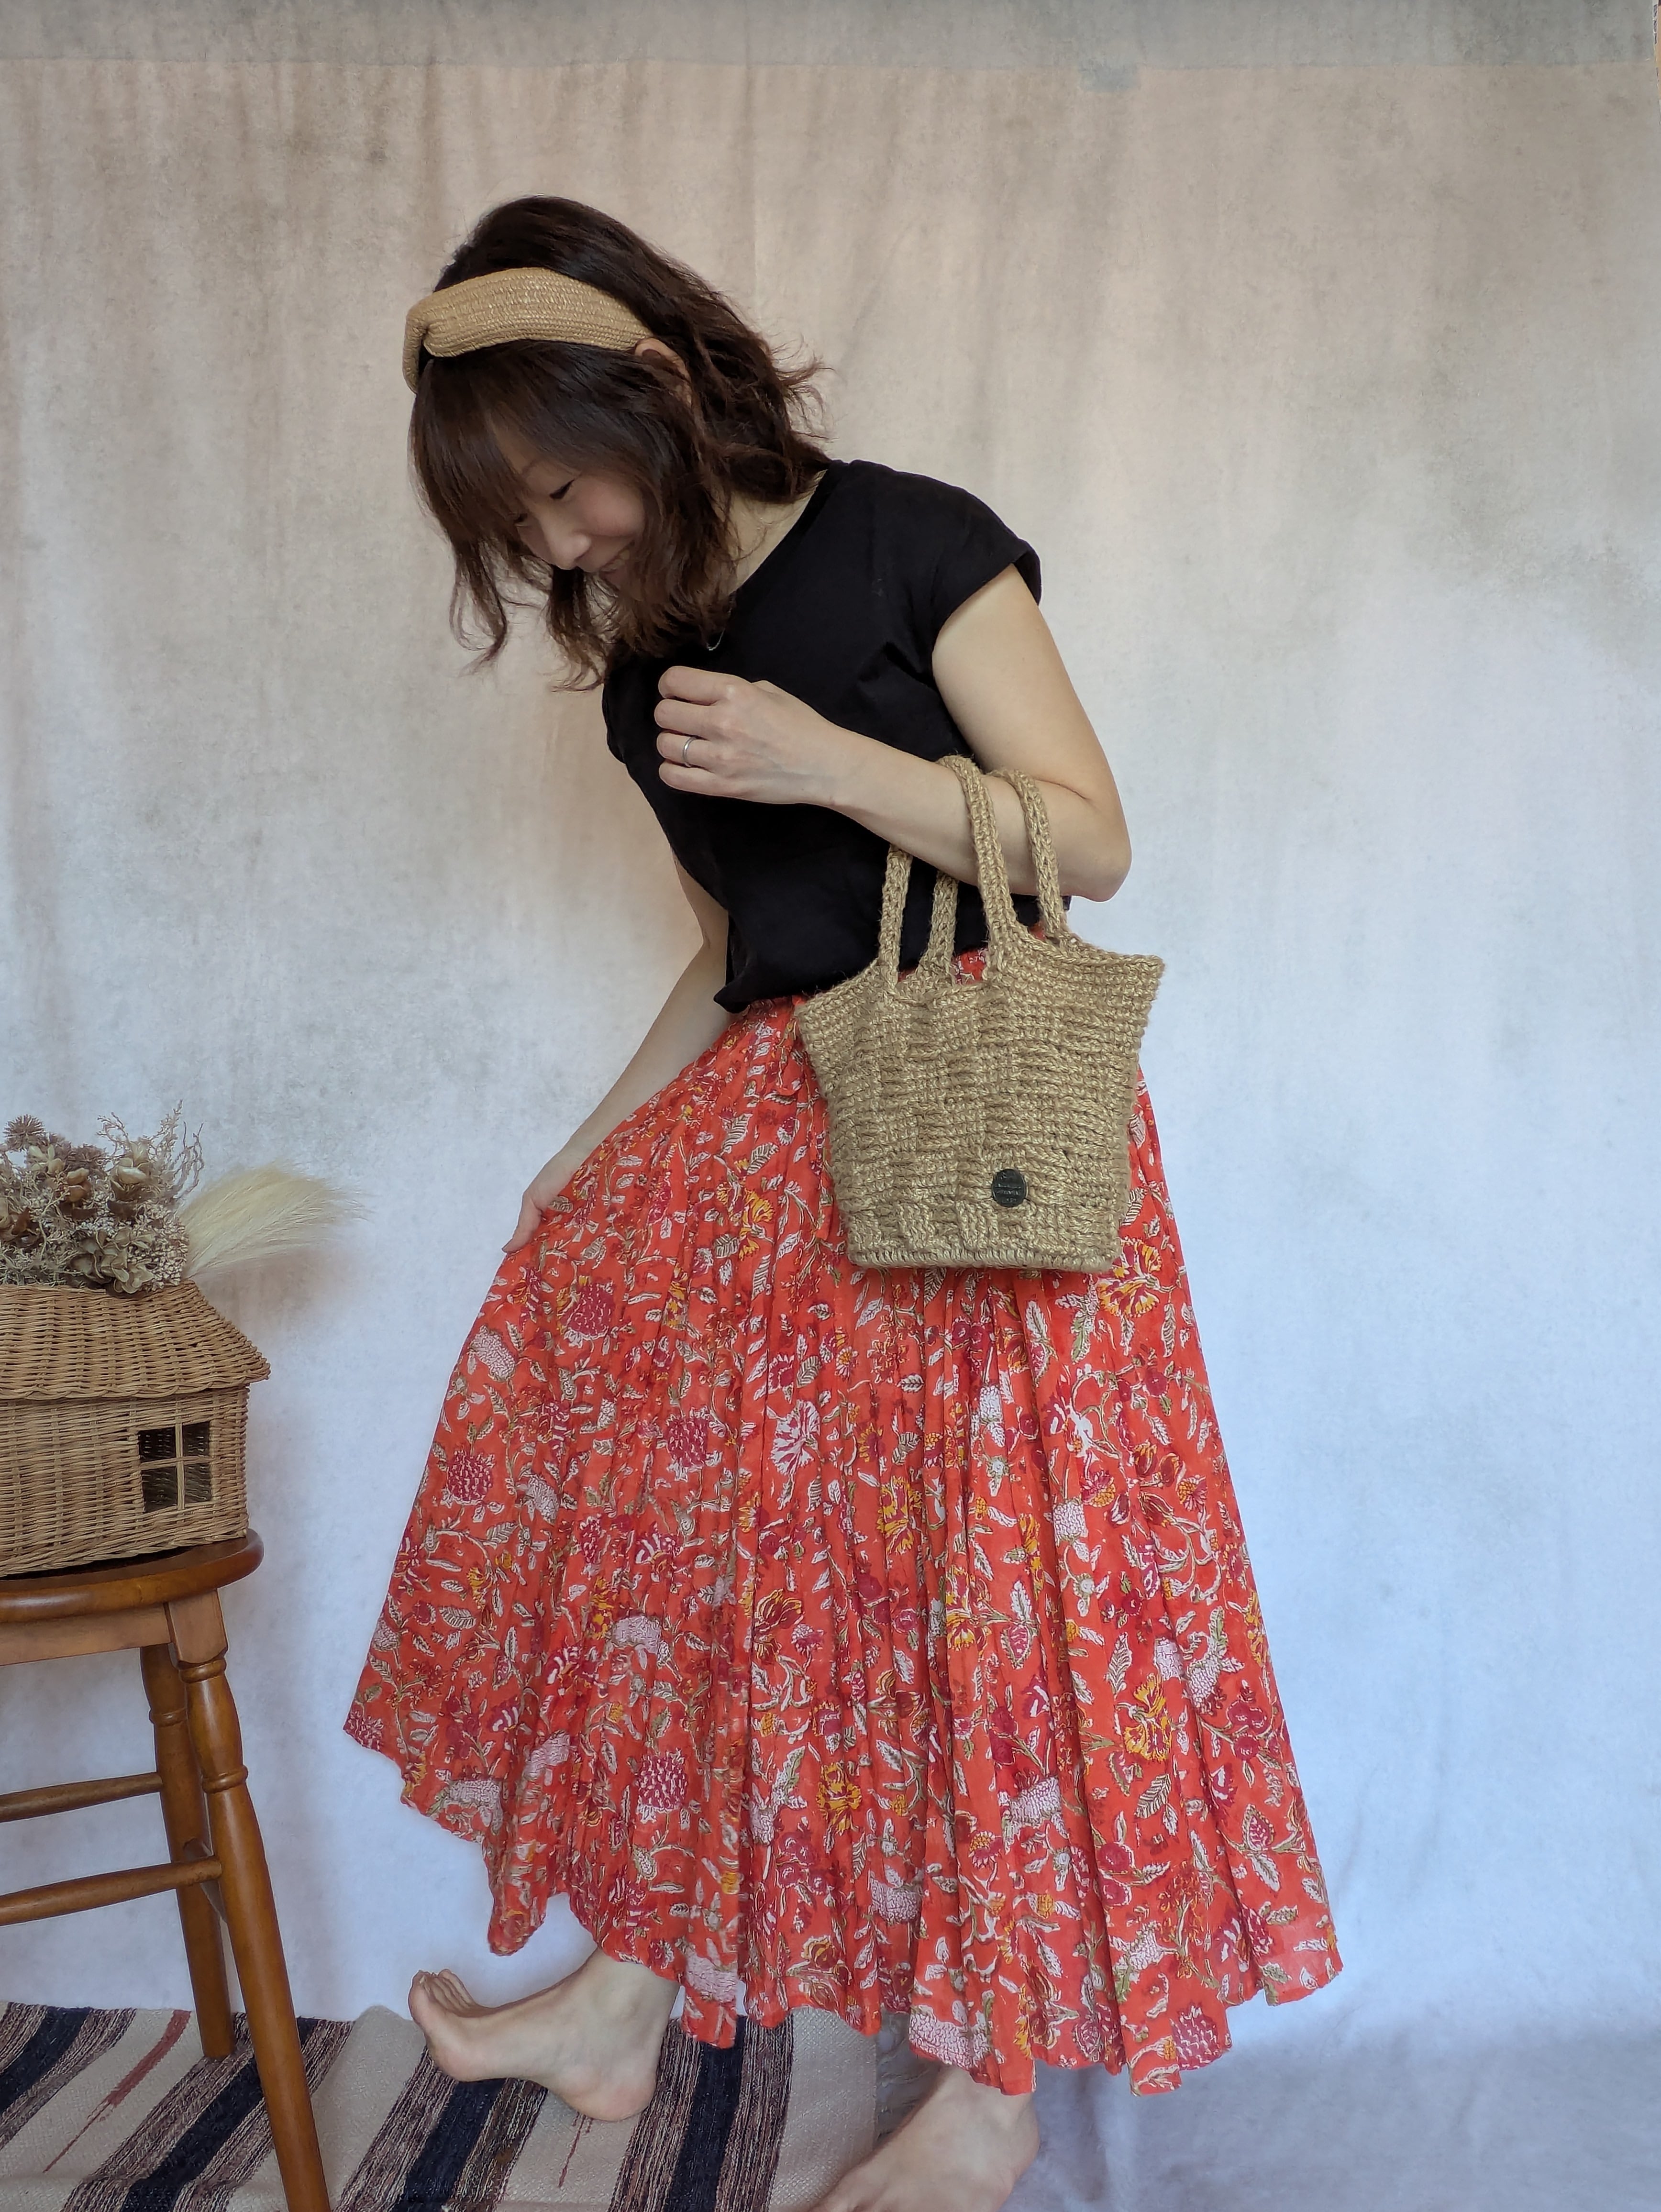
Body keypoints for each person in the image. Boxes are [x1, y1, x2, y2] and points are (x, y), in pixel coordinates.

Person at [348, 195, 1340, 2211]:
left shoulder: (906, 537)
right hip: (779, 1143)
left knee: (996, 1600)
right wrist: (582, 1155)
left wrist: (826, 755)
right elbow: (742, 949)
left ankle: (990, 2097)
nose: (564, 547)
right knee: (725, 1572)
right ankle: (628, 1999)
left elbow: (1088, 842)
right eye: (519, 527)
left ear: (650, 387)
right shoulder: (646, 678)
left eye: (563, 487)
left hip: (974, 1111)